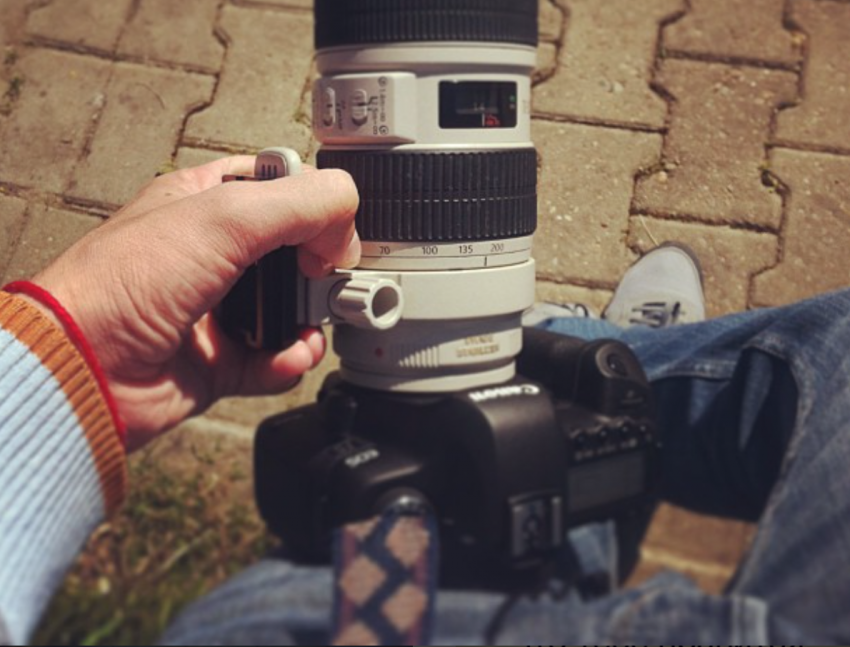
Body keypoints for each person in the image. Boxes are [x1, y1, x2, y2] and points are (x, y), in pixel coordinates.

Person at [0, 155, 844, 645]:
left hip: (357, 614)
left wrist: (81, 355)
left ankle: (564, 361)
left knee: (516, 493)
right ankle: (580, 356)